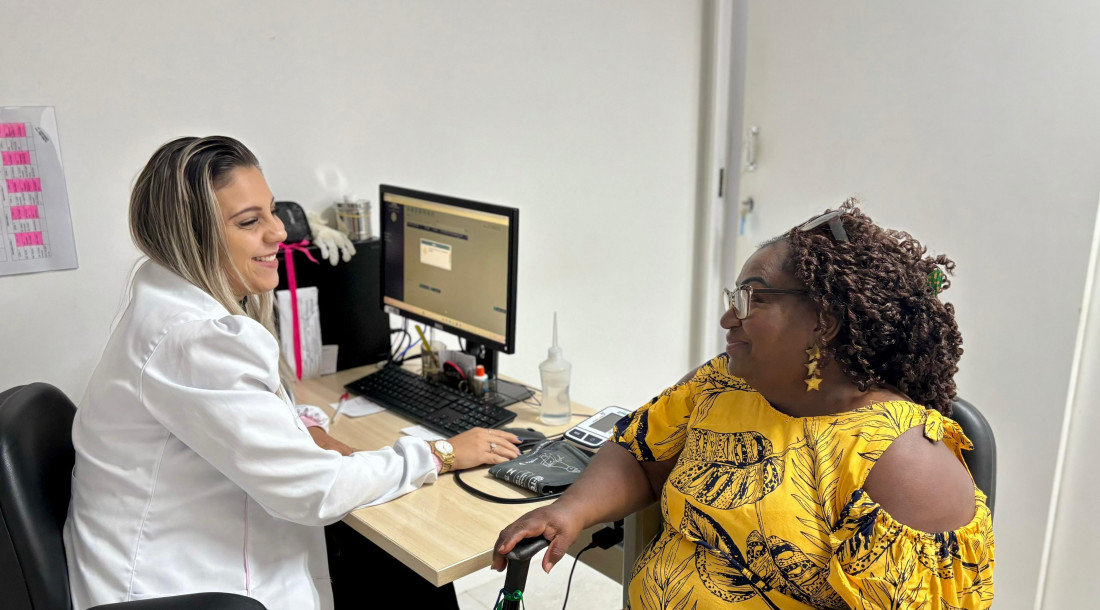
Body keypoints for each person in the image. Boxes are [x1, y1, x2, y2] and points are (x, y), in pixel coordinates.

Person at [63, 136, 522, 610]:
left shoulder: (166, 301)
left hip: (175, 555)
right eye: (249, 221)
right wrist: (441, 453)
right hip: (184, 591)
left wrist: (303, 426)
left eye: (272, 210)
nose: (278, 232)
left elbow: (242, 409)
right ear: (191, 238)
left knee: (400, 564)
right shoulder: (193, 338)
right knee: (405, 560)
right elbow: (314, 489)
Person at [493, 201, 994, 609]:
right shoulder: (724, 386)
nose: (728, 318)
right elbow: (640, 453)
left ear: (824, 321)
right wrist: (570, 511)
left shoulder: (901, 463)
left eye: (752, 299)